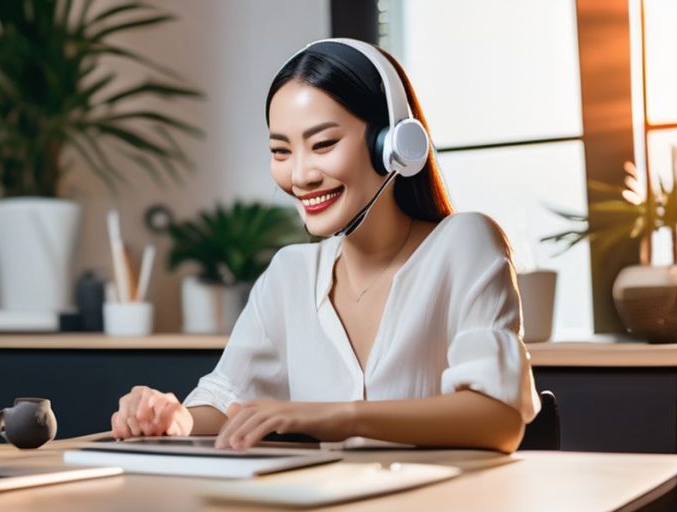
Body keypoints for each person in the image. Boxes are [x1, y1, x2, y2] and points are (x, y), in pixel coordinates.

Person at [110, 38, 540, 453]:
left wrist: (339, 416)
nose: (300, 176)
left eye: (323, 144)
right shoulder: (289, 273)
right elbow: (228, 399)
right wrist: (174, 418)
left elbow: (498, 419)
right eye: (281, 151)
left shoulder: (465, 244)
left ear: (394, 144)